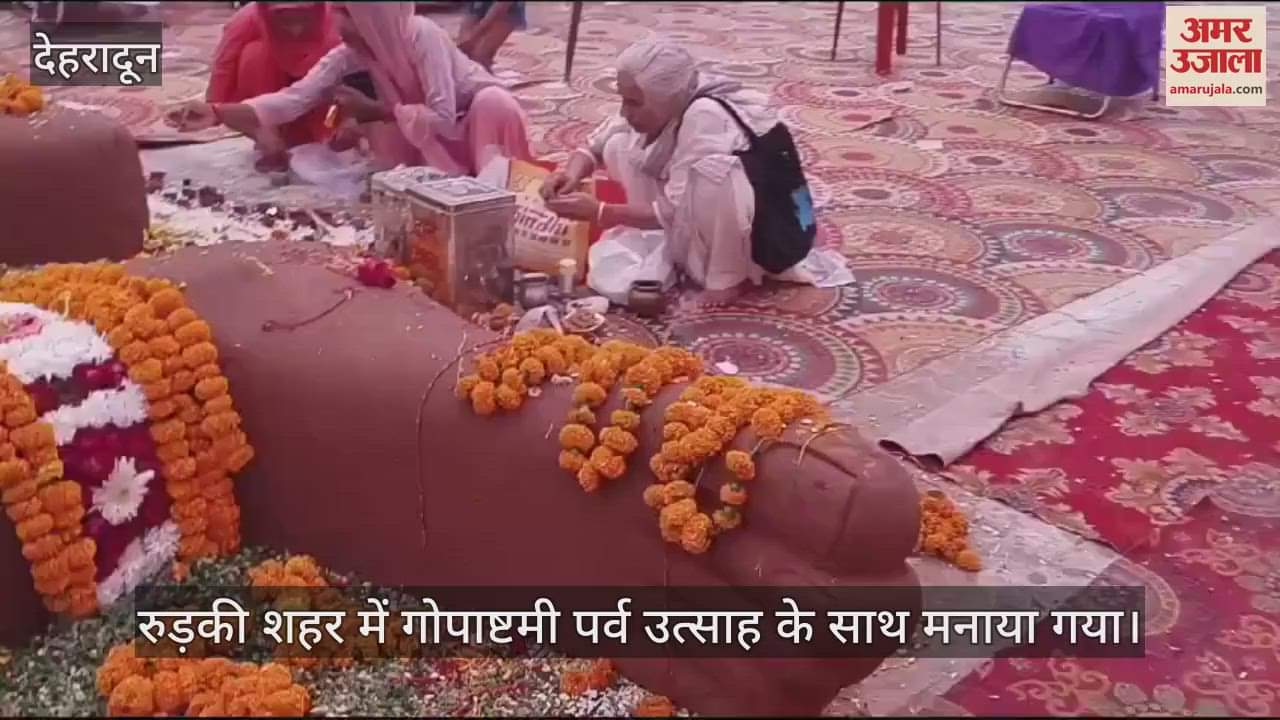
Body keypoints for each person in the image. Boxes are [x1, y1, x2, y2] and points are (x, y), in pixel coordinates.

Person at [541, 40, 848, 306]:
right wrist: (569, 175)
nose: (625, 111)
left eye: (634, 102)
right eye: (623, 99)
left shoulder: (704, 113)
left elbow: (673, 208)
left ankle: (727, 274)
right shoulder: (667, 98)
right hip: (689, 212)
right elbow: (594, 146)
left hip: (762, 236)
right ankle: (669, 246)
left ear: (664, 98)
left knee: (715, 175)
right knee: (622, 143)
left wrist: (601, 212)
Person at [168, 1, 532, 177]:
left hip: (474, 121)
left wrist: (372, 112)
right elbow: (295, 99)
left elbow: (444, 114)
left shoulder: (422, 35)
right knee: (387, 134)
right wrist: (215, 112)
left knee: (492, 102)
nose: (339, 25)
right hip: (425, 129)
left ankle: (491, 189)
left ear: (375, 16)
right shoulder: (353, 52)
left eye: (349, 14)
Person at [205, 2, 340, 171]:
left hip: (323, 105)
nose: (295, 30)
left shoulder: (339, 23)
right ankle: (270, 134)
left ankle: (326, 133)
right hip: (270, 104)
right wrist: (254, 128)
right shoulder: (246, 21)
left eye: (302, 17)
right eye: (285, 19)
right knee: (254, 56)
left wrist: (348, 123)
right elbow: (221, 76)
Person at [457, 1, 526, 72]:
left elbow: (499, 9)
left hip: (507, 10)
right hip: (479, 6)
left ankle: (486, 77)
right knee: (463, 54)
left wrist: (474, 37)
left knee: (479, 57)